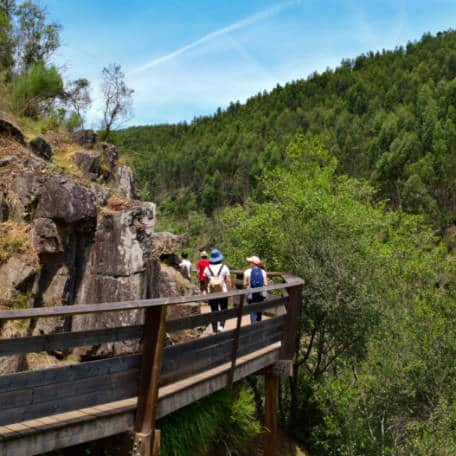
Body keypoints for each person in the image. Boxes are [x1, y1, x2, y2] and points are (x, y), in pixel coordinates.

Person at [204, 248, 231, 333]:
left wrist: (206, 291)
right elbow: (228, 281)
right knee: (224, 310)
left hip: (212, 293)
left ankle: (214, 330)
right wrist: (229, 291)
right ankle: (221, 326)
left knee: (214, 311)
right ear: (220, 258)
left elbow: (205, 282)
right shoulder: (224, 267)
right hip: (223, 292)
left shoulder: (207, 268)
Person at [243, 256, 268, 323]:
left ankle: (253, 328)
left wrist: (250, 282)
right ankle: (259, 326)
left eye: (250, 262)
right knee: (259, 311)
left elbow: (244, 283)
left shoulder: (247, 271)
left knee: (252, 312)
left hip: (251, 295)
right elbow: (266, 283)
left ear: (253, 263)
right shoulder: (263, 271)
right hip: (260, 294)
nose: (249, 263)